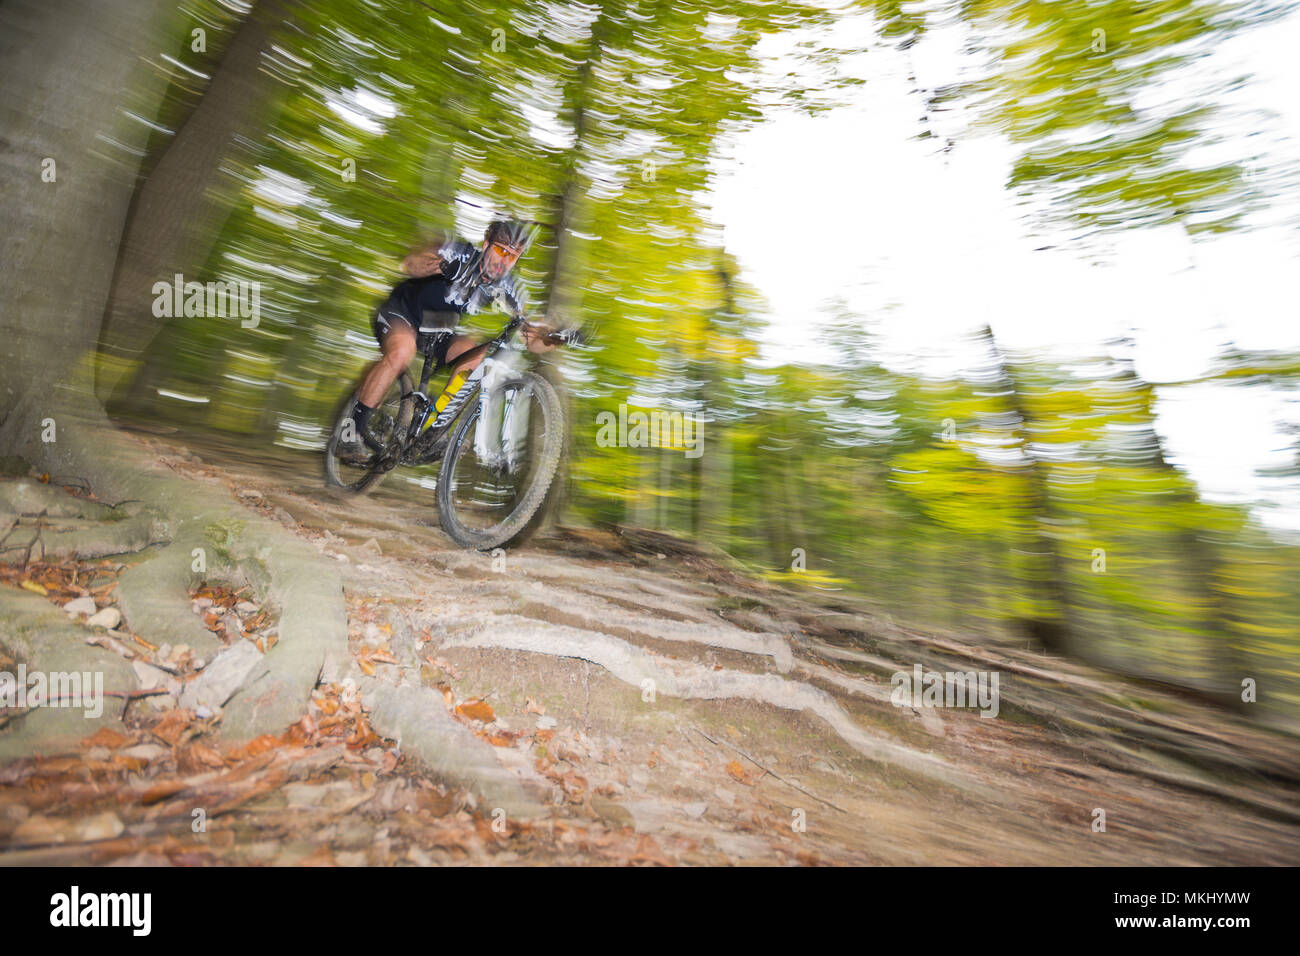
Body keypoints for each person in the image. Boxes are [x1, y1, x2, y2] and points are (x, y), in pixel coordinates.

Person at [338, 218, 557, 458]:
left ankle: (436, 427)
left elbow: (530, 336)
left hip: (440, 333)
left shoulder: (508, 285)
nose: (504, 261)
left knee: (475, 356)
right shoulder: (459, 252)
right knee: (402, 352)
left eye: (512, 256)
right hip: (402, 313)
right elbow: (410, 263)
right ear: (486, 245)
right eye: (501, 250)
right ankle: (351, 433)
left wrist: (555, 337)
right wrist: (441, 266)